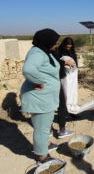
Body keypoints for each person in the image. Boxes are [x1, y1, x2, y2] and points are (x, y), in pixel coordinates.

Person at [20, 28, 61, 164]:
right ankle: (42, 156)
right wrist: (39, 81)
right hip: (40, 98)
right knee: (42, 129)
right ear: (46, 41)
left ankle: (45, 144)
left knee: (43, 125)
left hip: (44, 98)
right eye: (55, 42)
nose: (56, 45)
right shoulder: (37, 53)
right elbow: (28, 69)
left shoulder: (42, 51)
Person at [53, 37, 78, 138]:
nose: (69, 47)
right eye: (67, 46)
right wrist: (65, 62)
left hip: (72, 76)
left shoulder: (72, 51)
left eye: (70, 46)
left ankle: (71, 112)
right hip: (64, 77)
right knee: (65, 95)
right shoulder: (59, 52)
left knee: (72, 93)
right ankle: (65, 115)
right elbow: (58, 62)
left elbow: (74, 63)